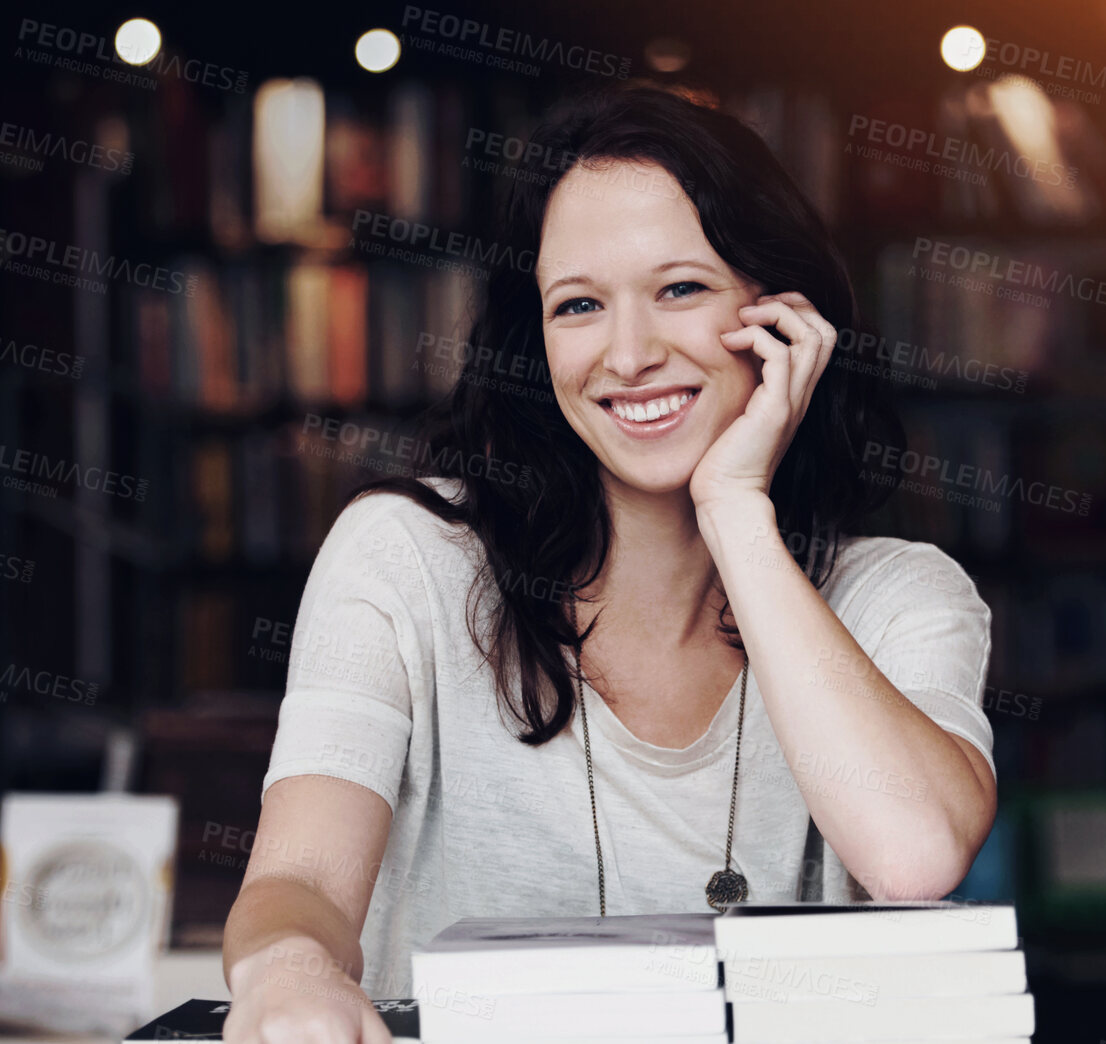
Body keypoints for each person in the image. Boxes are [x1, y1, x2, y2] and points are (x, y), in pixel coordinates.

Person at [220, 82, 997, 1044]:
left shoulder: (900, 597)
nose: (627, 355)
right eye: (579, 304)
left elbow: (913, 855)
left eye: (681, 289)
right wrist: (290, 975)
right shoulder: (405, 556)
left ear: (782, 314)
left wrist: (734, 511)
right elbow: (299, 882)